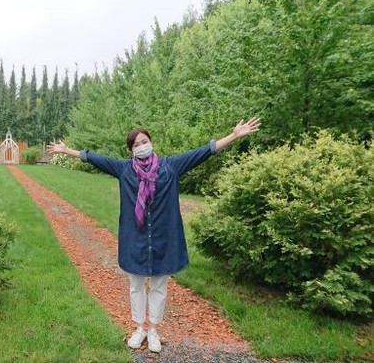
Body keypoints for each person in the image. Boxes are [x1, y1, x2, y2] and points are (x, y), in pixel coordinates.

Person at [47, 117, 261, 353]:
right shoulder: (124, 170)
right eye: (136, 144)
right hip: (135, 239)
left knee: (159, 287)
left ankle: (154, 331)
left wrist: (234, 136)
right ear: (131, 150)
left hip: (163, 239)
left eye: (144, 141)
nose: (141, 146)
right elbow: (96, 159)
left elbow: (203, 152)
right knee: (136, 286)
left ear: (151, 142)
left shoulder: (170, 167)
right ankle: (139, 328)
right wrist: (67, 151)